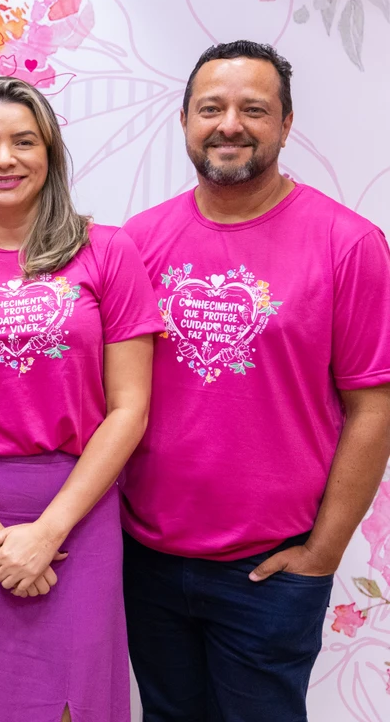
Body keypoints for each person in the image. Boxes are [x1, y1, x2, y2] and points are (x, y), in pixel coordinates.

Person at [121, 40, 390, 721]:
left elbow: (374, 408)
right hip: (146, 558)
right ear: (184, 120)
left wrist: (323, 553)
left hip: (270, 572)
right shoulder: (137, 243)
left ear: (286, 124)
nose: (230, 124)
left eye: (254, 109)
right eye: (211, 107)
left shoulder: (348, 244)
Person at [0, 76, 164, 722]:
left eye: (22, 141)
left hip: (80, 511)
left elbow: (130, 409)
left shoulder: (108, 253)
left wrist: (49, 532)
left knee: (77, 698)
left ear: (50, 154)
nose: (3, 159)